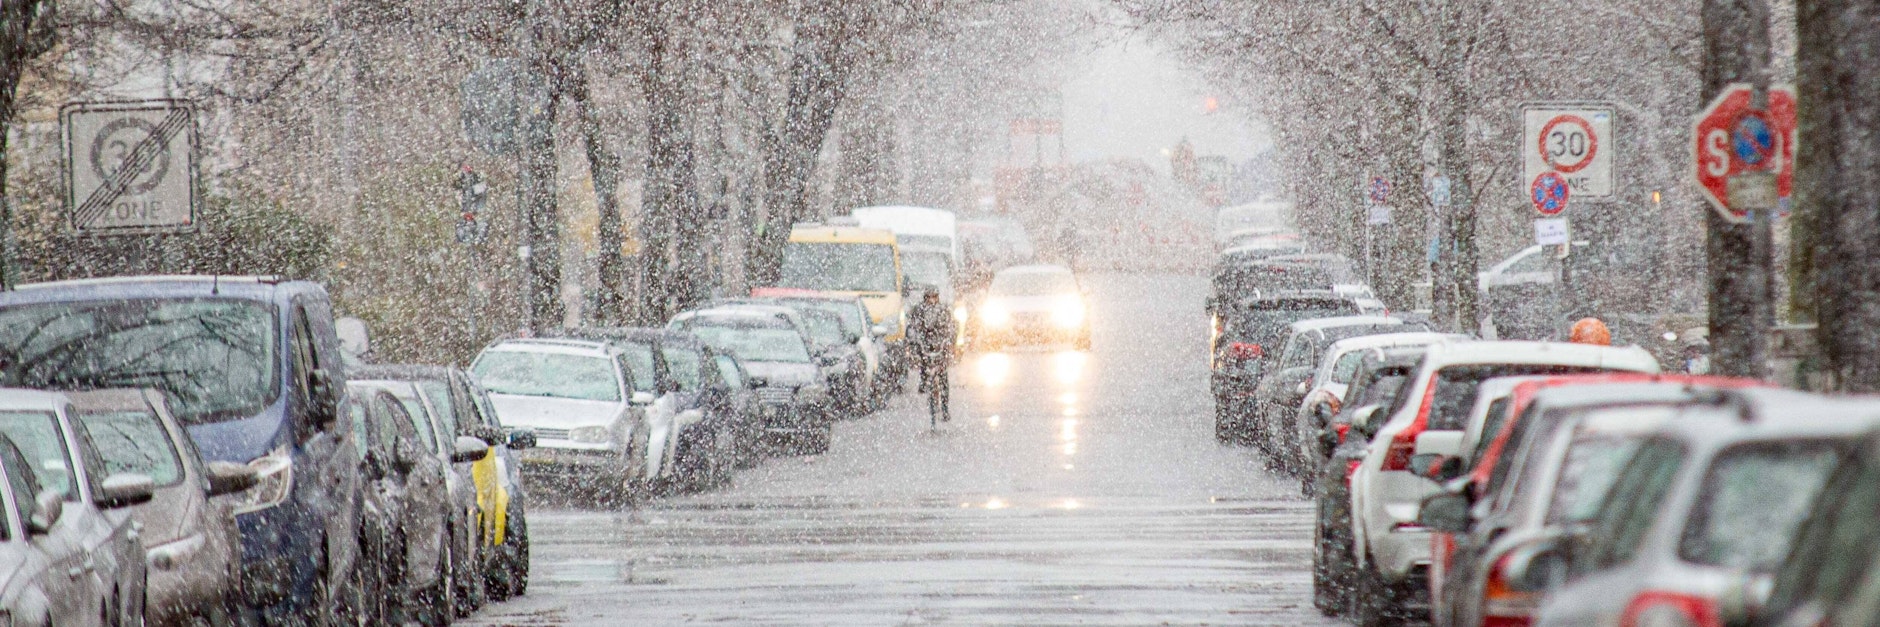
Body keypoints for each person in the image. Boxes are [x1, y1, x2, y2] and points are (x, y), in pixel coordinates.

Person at [907, 285, 956, 422]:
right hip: (925, 345)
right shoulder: (919, 310)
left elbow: (951, 327)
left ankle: (945, 408)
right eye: (929, 297)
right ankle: (923, 382)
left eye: (935, 297)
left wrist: (949, 341)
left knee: (943, 376)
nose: (932, 300)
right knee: (923, 364)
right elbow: (912, 328)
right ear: (925, 298)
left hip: (940, 345)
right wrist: (914, 341)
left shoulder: (943, 310)